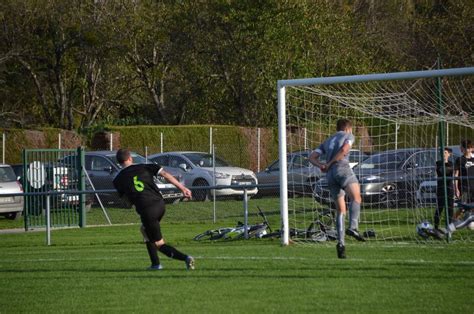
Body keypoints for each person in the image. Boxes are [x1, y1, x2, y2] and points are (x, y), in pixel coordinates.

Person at [113, 149, 195, 270]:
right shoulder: (145, 166)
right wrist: (183, 188)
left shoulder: (118, 180)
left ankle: (186, 258)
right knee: (144, 230)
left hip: (147, 211)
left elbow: (126, 201)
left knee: (159, 243)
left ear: (118, 162)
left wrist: (133, 201)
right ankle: (155, 264)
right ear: (130, 158)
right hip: (160, 204)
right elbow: (166, 175)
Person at [309, 119, 365, 259]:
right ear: (348, 129)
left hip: (330, 176)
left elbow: (312, 157)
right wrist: (331, 163)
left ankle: (341, 244)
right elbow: (344, 150)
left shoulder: (327, 141)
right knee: (356, 197)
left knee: (340, 210)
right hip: (342, 170)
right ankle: (353, 227)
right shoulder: (348, 136)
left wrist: (322, 165)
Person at [433, 147, 454, 234]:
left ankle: (449, 229)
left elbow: (450, 173)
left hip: (449, 189)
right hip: (441, 189)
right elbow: (441, 172)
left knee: (450, 209)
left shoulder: (451, 163)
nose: (443, 154)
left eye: (445, 152)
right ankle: (435, 227)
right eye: (442, 152)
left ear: (449, 154)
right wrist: (447, 168)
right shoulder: (438, 163)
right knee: (439, 208)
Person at [454, 139, 474, 210]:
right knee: (462, 209)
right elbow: (456, 175)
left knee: (472, 208)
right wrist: (456, 188)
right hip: (464, 189)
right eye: (465, 147)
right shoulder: (459, 160)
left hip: (473, 188)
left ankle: (470, 221)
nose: (467, 149)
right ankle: (454, 220)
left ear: (471, 148)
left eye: (468, 147)